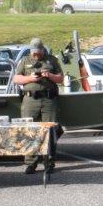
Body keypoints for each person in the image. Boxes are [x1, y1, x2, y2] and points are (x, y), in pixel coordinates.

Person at [13, 37, 64, 174]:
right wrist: (30, 78)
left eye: (38, 53)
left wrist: (49, 75)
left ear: (42, 50)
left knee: (50, 131)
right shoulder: (25, 60)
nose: (36, 55)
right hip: (30, 100)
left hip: (48, 100)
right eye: (33, 53)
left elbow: (60, 79)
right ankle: (31, 163)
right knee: (30, 130)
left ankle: (49, 162)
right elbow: (16, 78)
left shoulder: (52, 60)